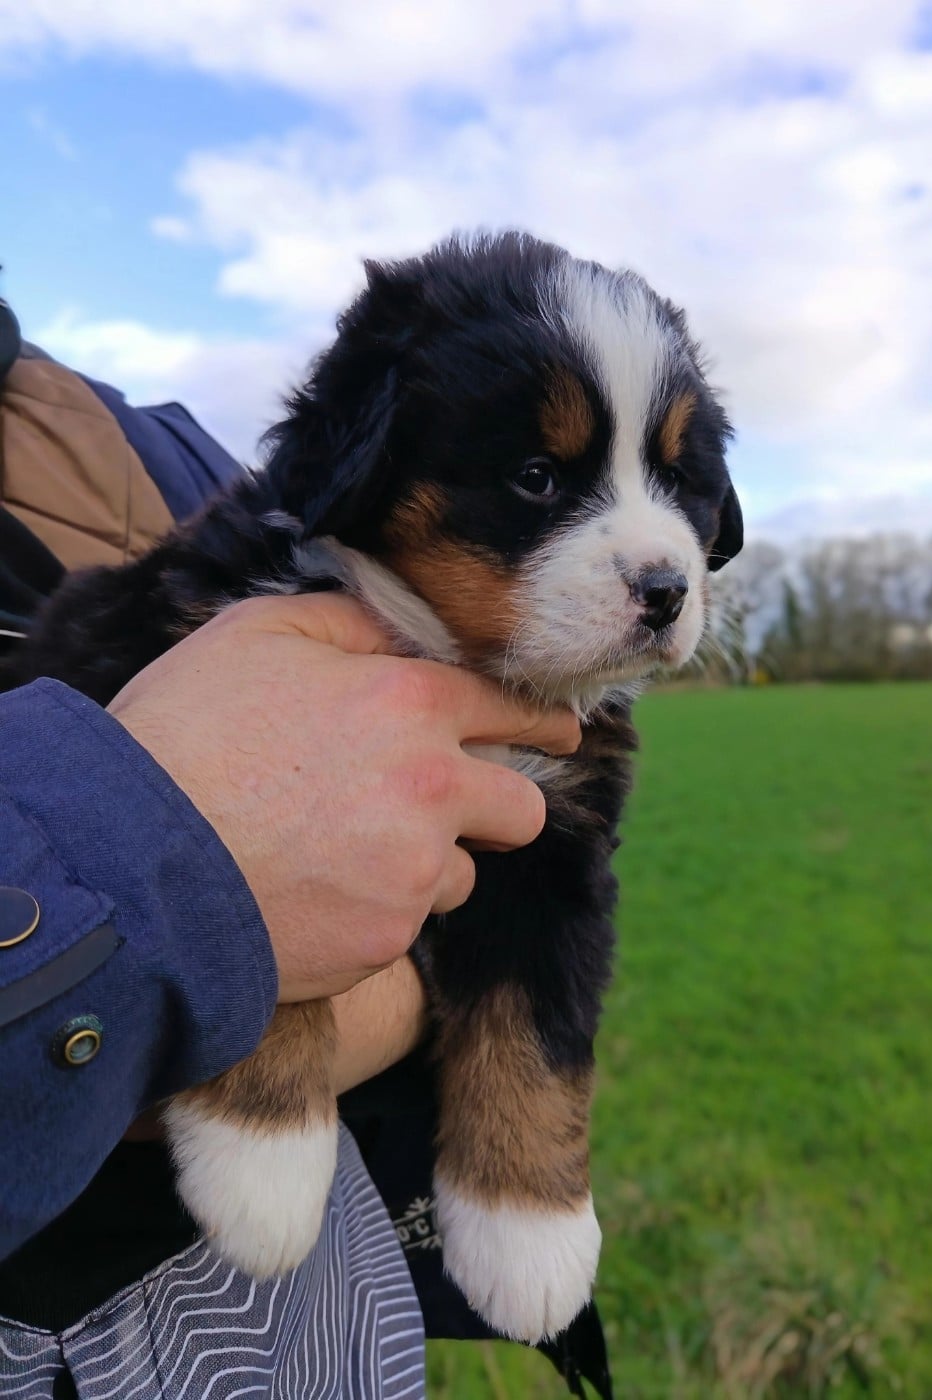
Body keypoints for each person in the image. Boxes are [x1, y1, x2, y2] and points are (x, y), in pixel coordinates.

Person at [0, 301, 595, 1398]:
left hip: (315, 1323)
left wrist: (521, 1157)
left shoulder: (159, 447)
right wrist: (223, 936)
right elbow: (238, 835)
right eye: (538, 480)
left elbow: (520, 887)